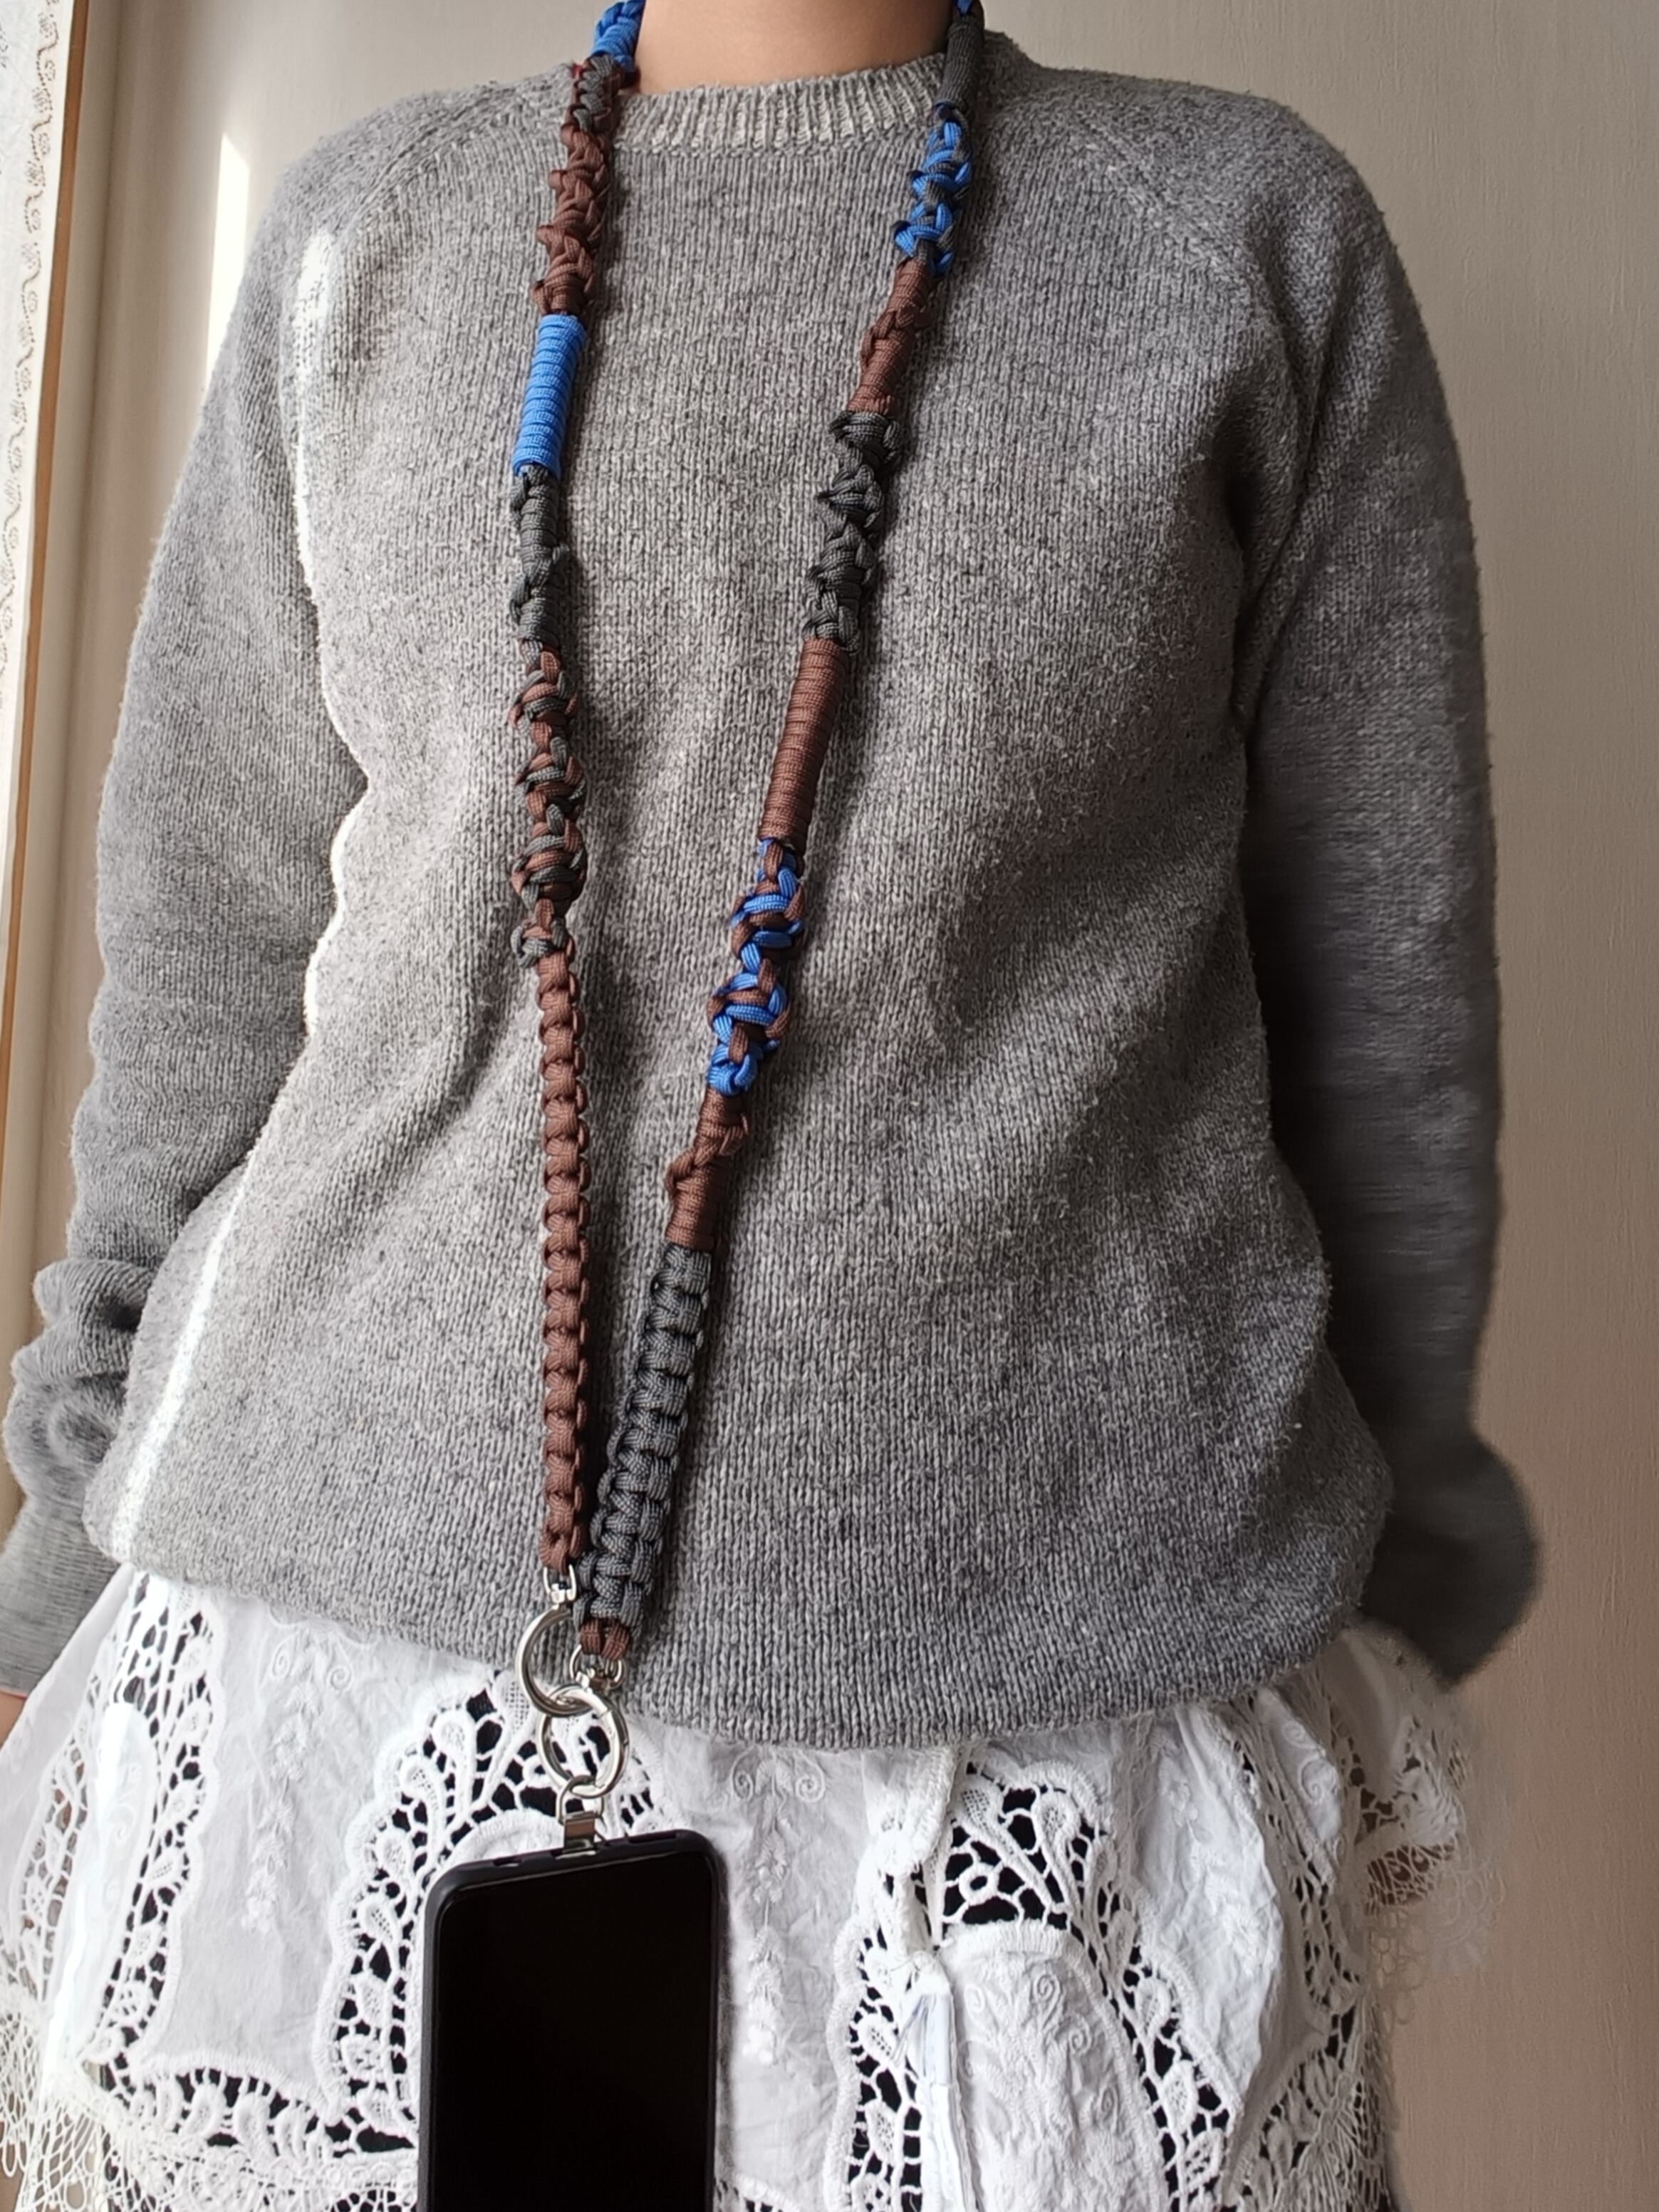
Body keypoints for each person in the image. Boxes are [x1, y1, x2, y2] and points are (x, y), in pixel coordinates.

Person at [0, 0, 1536, 2205]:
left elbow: (1382, 1010)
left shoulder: (1235, 240)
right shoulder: (365, 238)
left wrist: (1394, 1594)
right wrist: (57, 1553)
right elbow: (204, 969)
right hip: (318, 1722)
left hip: (1038, 1792)